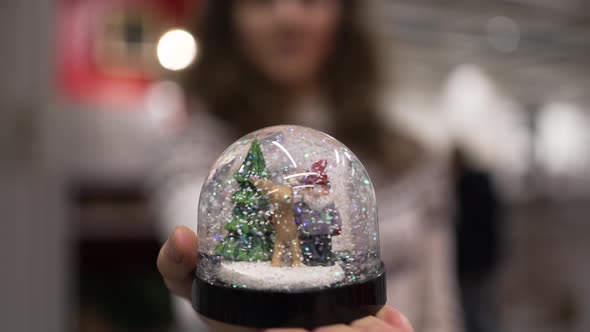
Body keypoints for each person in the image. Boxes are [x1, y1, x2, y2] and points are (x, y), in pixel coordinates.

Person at [153, 0, 460, 331]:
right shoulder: (197, 154)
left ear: (343, 14)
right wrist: (223, 316)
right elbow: (200, 273)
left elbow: (440, 305)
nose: (288, 15)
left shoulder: (408, 157)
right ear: (229, 19)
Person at [294, 160, 342, 266]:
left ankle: (325, 258)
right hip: (306, 232)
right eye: (311, 188)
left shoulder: (329, 204)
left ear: (327, 188)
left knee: (326, 246)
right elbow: (294, 214)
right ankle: (312, 260)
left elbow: (335, 215)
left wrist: (336, 226)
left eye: (320, 187)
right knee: (308, 247)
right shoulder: (301, 204)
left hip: (325, 231)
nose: (315, 191)